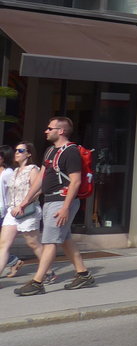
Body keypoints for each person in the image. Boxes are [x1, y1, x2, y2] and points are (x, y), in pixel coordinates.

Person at [14, 117, 95, 295]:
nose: (46, 131)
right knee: (65, 240)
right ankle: (83, 274)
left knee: (50, 241)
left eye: (50, 128)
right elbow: (41, 179)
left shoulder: (71, 152)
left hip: (61, 201)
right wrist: (26, 200)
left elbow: (75, 182)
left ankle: (37, 282)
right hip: (50, 201)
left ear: (61, 131)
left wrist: (65, 207)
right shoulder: (50, 151)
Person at [1, 142, 45, 284]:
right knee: (3, 245)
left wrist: (23, 204)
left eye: (21, 150)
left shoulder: (33, 169)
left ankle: (48, 271)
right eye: (16, 150)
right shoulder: (14, 171)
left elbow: (39, 189)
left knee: (33, 243)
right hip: (12, 211)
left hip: (28, 210)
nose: (17, 153)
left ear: (29, 153)